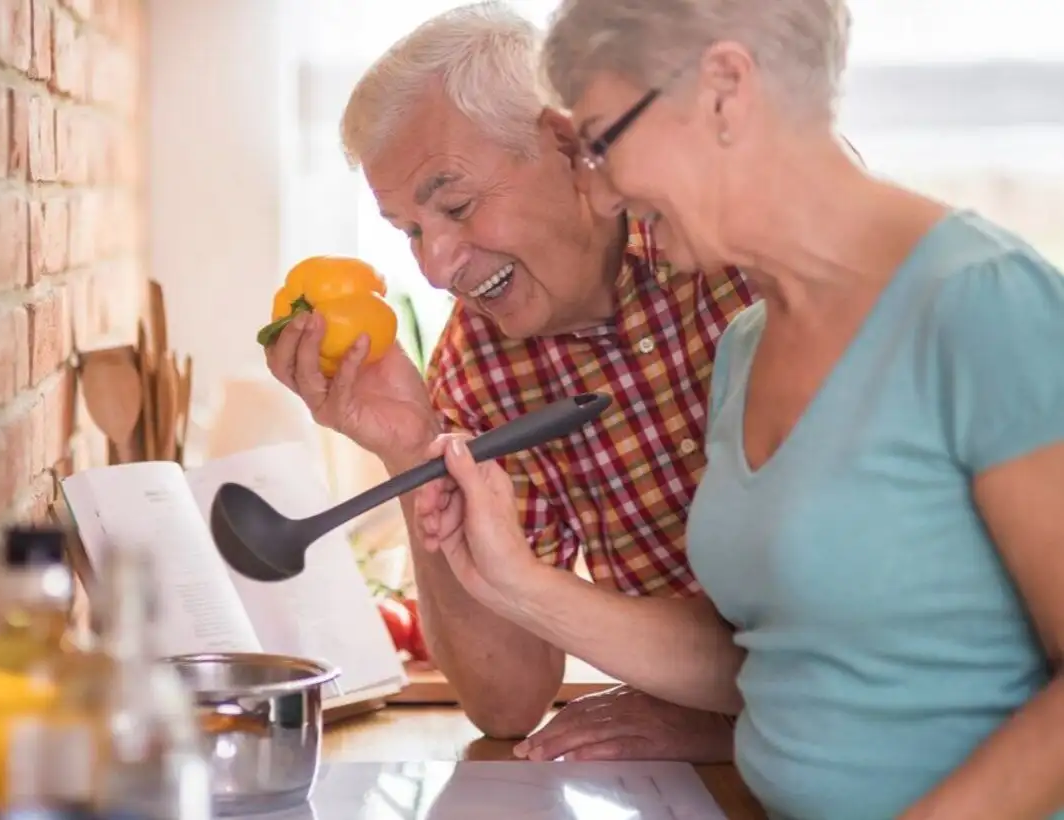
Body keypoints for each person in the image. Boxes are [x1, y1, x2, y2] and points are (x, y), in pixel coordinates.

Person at [412, 0, 1064, 817]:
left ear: (724, 89)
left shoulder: (981, 302)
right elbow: (774, 660)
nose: (605, 195)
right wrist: (516, 580)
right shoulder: (748, 346)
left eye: (605, 143)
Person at [263, 2, 756, 761]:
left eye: (454, 205)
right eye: (411, 232)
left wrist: (733, 722)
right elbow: (507, 701)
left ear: (568, 146)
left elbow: (866, 624)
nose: (434, 266)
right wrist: (415, 453)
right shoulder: (477, 362)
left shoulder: (741, 248)